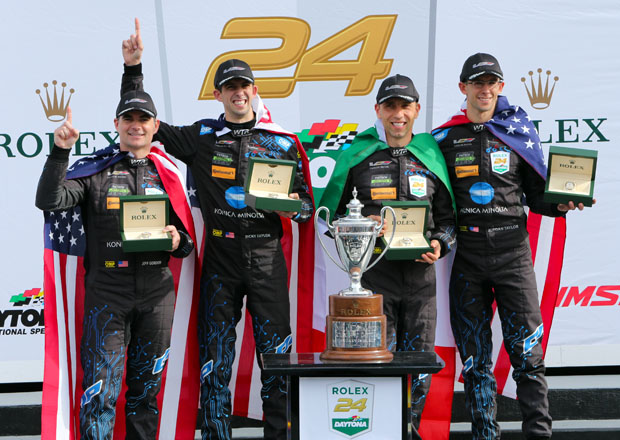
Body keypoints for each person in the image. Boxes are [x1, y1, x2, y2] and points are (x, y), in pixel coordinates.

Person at [120, 19, 314, 440]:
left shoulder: (281, 142)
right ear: (218, 94)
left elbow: (305, 211)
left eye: (244, 85)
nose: (238, 92)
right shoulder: (202, 136)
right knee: (215, 360)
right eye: (229, 87)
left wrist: (281, 203)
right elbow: (141, 123)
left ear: (254, 90)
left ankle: (279, 435)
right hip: (221, 261)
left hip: (266, 258)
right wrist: (133, 70)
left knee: (276, 359)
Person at [432, 53, 594, 440]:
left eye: (491, 82)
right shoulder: (445, 138)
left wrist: (562, 203)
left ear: (501, 87)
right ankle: (485, 435)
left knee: (528, 356)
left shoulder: (518, 131)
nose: (485, 89)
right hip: (468, 256)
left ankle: (538, 434)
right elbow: (435, 202)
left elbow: (538, 197)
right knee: (475, 361)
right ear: (463, 88)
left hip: (513, 255)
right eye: (477, 83)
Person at [35, 92, 195, 439]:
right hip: (108, 292)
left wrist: (177, 240)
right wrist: (60, 151)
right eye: (129, 119)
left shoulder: (168, 174)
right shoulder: (95, 170)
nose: (136, 126)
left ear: (155, 126)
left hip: (157, 295)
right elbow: (49, 200)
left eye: (143, 119)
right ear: (116, 125)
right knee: (99, 393)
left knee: (145, 393)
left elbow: (187, 244)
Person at [320, 74, 456, 439]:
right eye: (390, 106)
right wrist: (362, 227)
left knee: (420, 369)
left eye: (405, 106)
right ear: (378, 110)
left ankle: (409, 433)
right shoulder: (358, 157)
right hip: (373, 283)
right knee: (376, 368)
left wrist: (439, 245)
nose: (398, 114)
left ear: (417, 110)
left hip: (420, 282)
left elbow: (448, 222)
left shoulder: (430, 156)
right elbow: (328, 219)